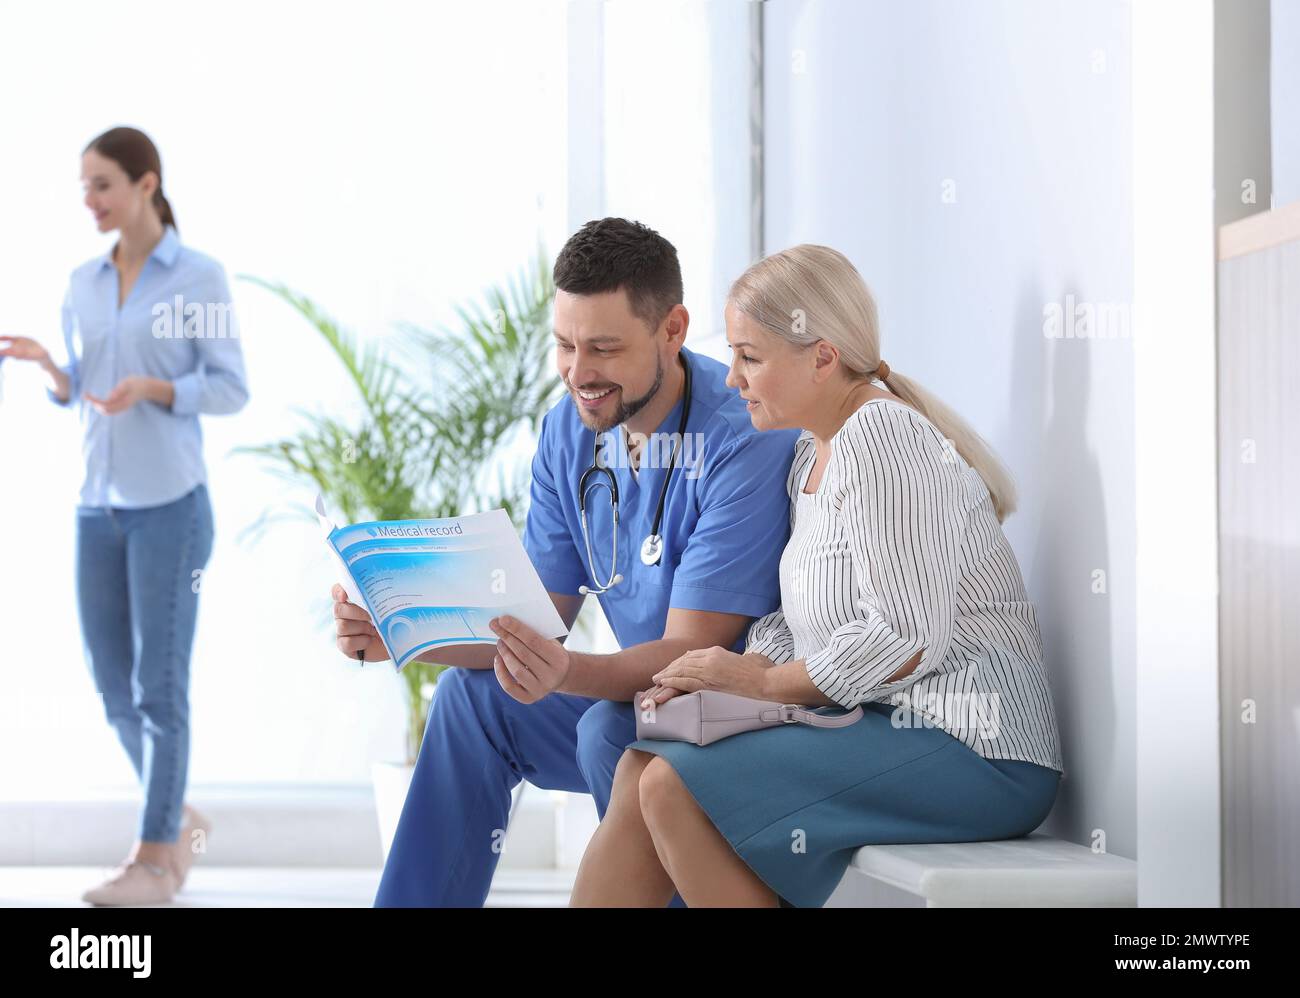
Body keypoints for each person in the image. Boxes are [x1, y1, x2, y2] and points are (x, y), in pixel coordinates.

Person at [572, 244, 1066, 907]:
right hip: (887, 724)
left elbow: (905, 635)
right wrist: (725, 685)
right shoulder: (812, 454)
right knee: (643, 765)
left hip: (978, 746)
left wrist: (762, 684)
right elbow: (795, 618)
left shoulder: (883, 436)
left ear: (822, 357)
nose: (731, 379)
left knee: (671, 783)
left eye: (751, 357)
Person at [331, 217, 800, 906]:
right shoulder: (567, 432)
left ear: (672, 329)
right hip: (641, 695)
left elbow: (692, 655)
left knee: (609, 730)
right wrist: (403, 630)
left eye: (604, 348)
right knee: (474, 702)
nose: (579, 374)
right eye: (564, 345)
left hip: (723, 711)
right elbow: (534, 619)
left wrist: (568, 672)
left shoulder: (741, 436)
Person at [0, 126, 249, 905]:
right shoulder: (80, 281)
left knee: (156, 687)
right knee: (111, 685)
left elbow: (231, 388)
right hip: (95, 506)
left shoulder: (198, 279)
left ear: (146, 184)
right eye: (83, 186)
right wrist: (53, 370)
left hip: (170, 509)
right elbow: (84, 388)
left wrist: (158, 389)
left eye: (102, 184)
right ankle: (176, 815)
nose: (90, 200)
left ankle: (152, 861)